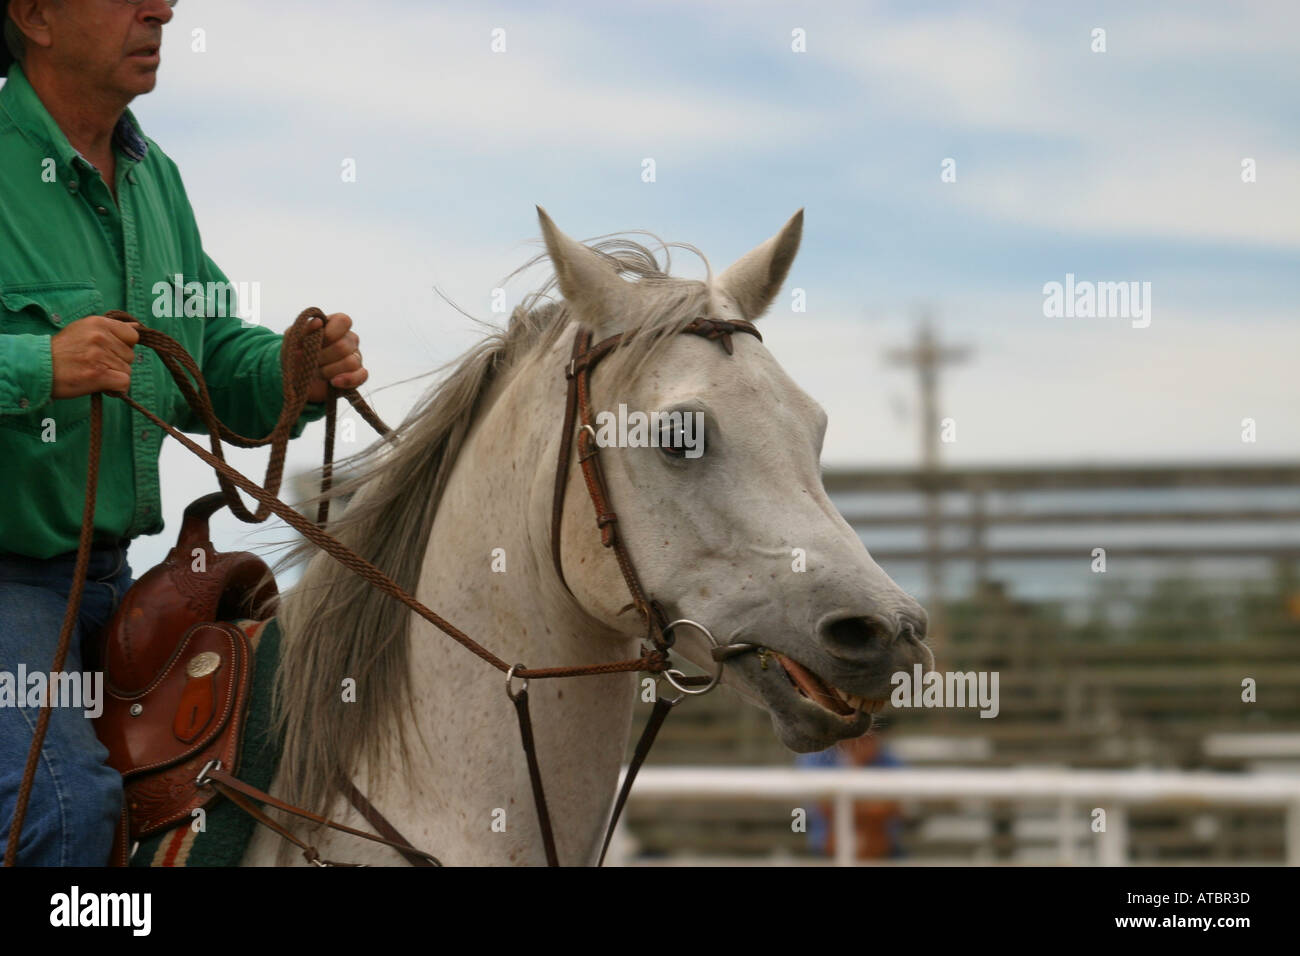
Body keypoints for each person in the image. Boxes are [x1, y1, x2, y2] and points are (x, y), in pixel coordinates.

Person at [0, 0, 369, 865]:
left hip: (115, 577)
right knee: (62, 810)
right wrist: (39, 365)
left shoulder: (155, 178)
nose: (163, 7)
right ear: (34, 15)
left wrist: (291, 371)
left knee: (279, 756)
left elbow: (206, 353)